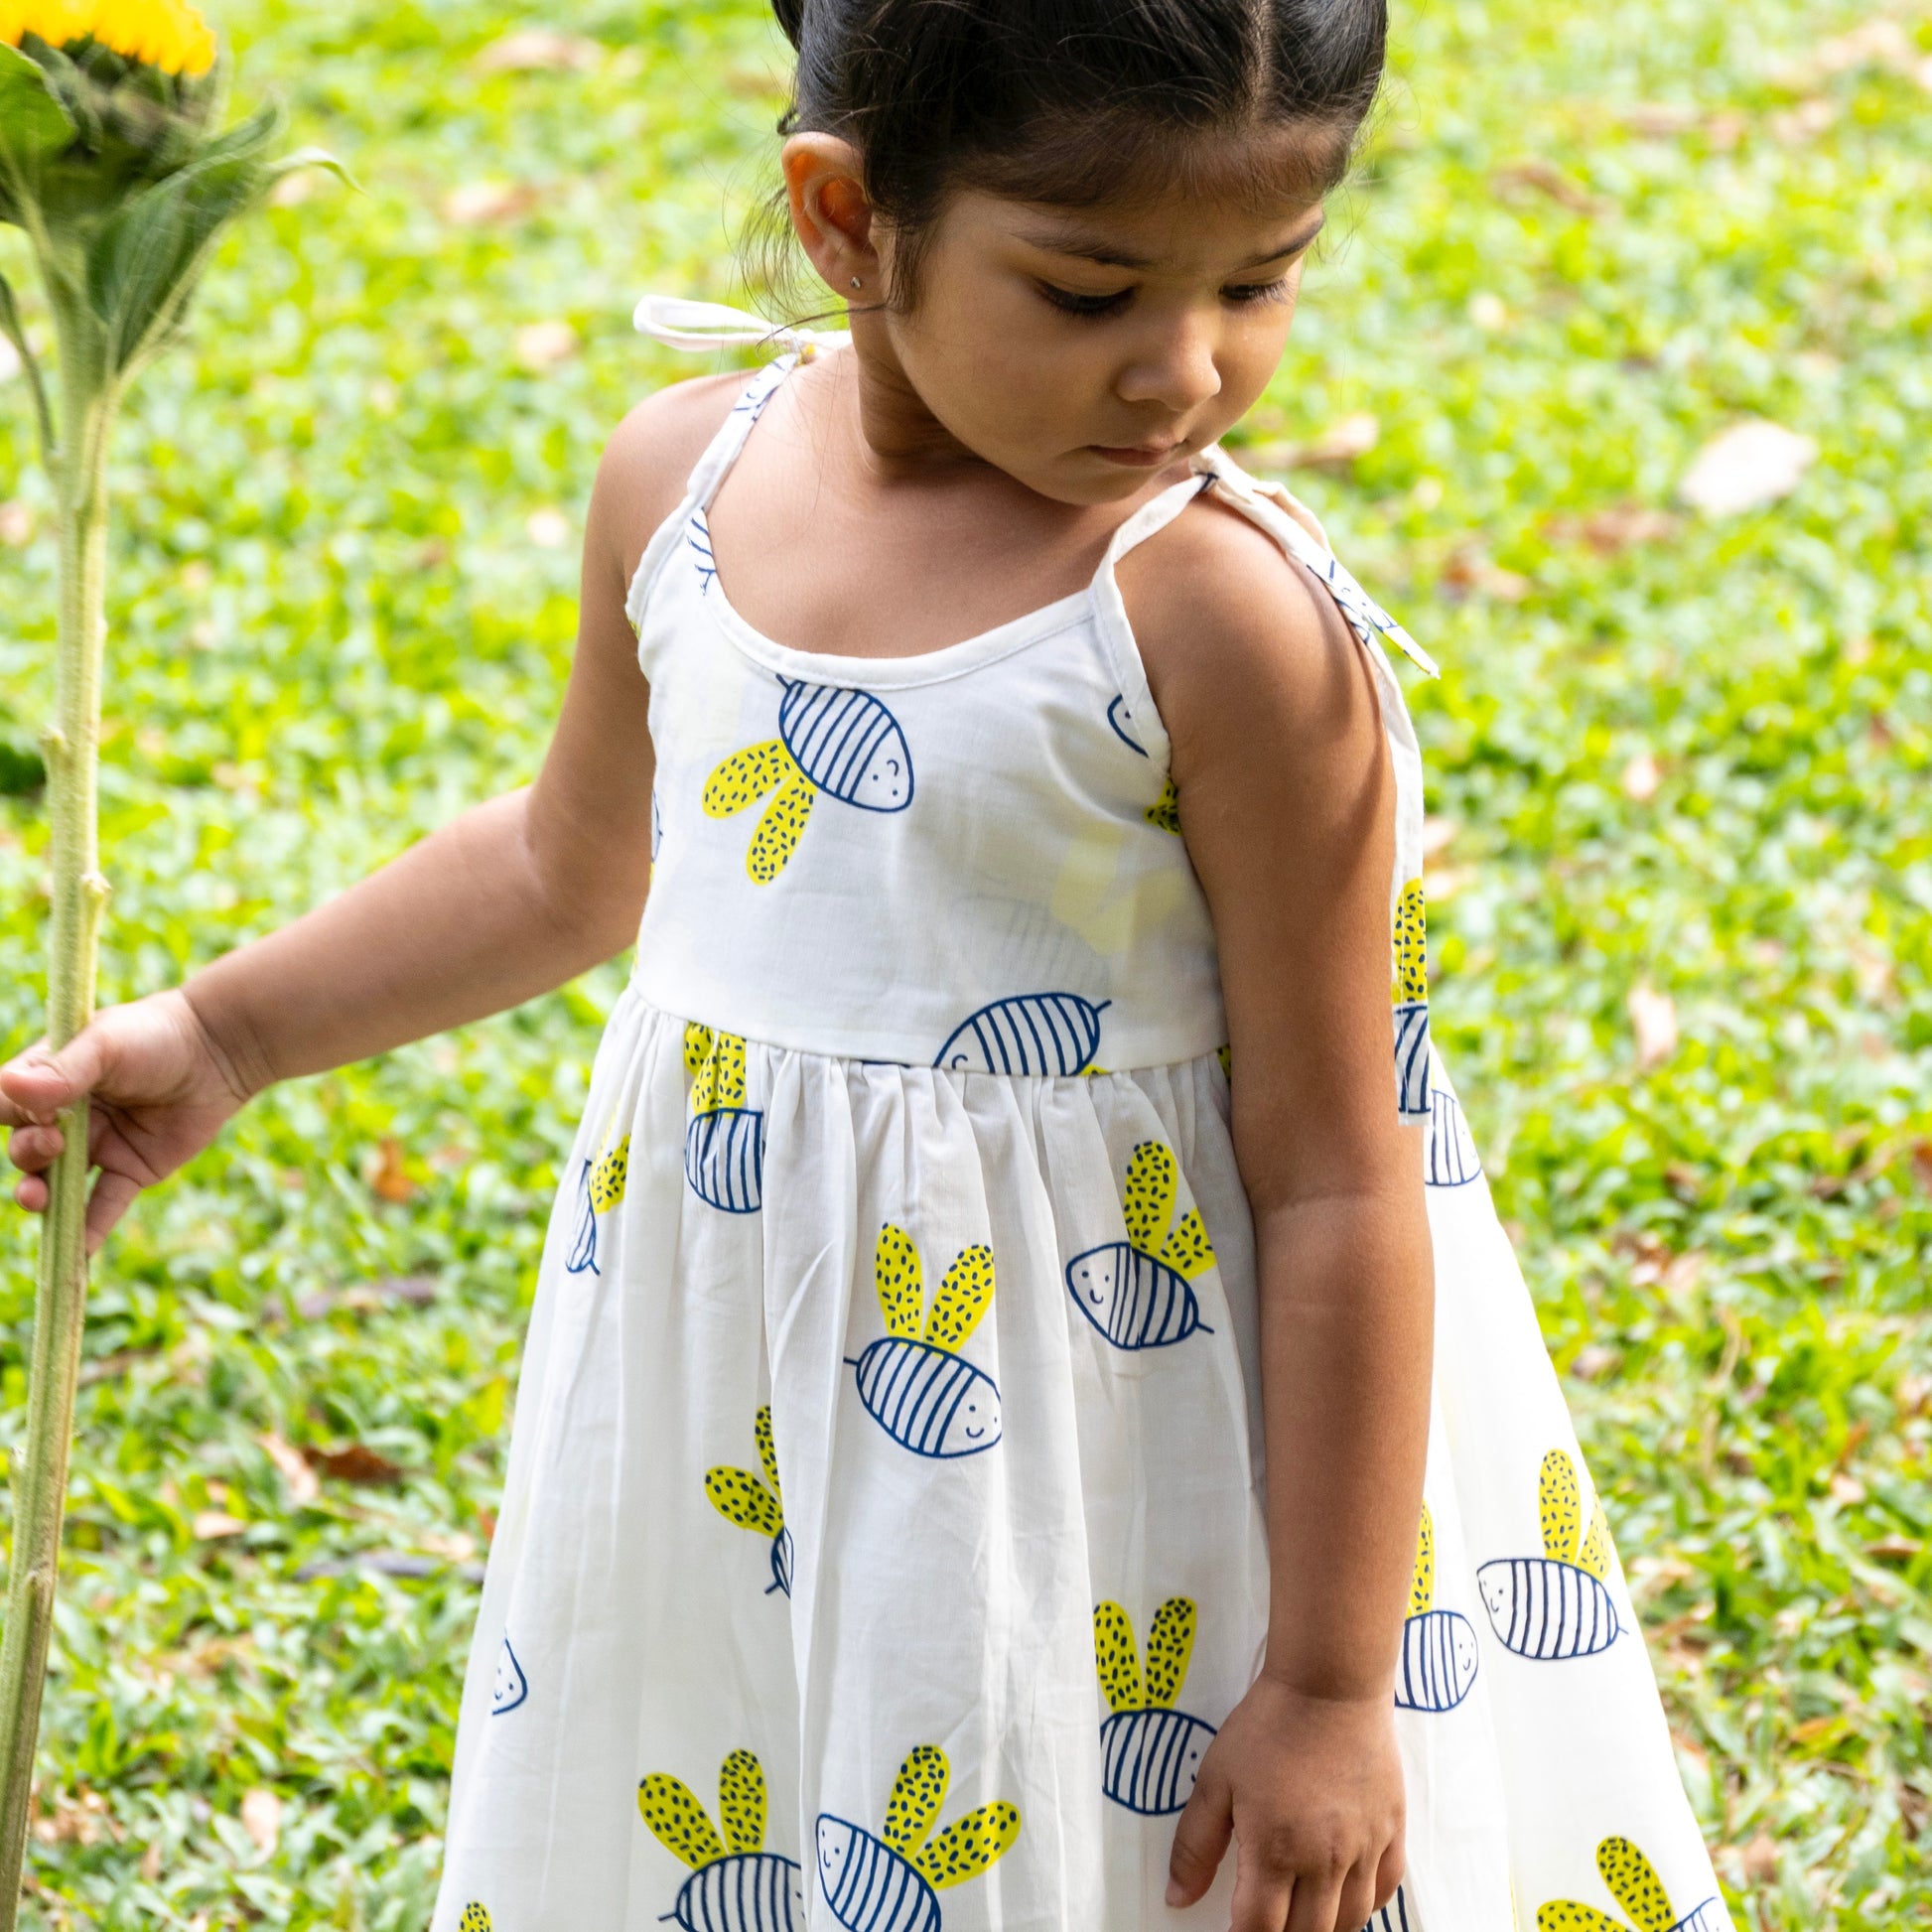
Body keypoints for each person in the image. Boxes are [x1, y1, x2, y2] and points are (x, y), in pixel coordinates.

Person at [2, 4, 1736, 1929]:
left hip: (1105, 1441)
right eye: (1089, 291)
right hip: (745, 1410)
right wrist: (225, 1035)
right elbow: (573, 864)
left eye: (1258, 281)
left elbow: (1341, 1170)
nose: (1184, 371)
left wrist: (1329, 1685)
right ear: (844, 219)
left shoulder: (1214, 618)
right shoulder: (681, 483)